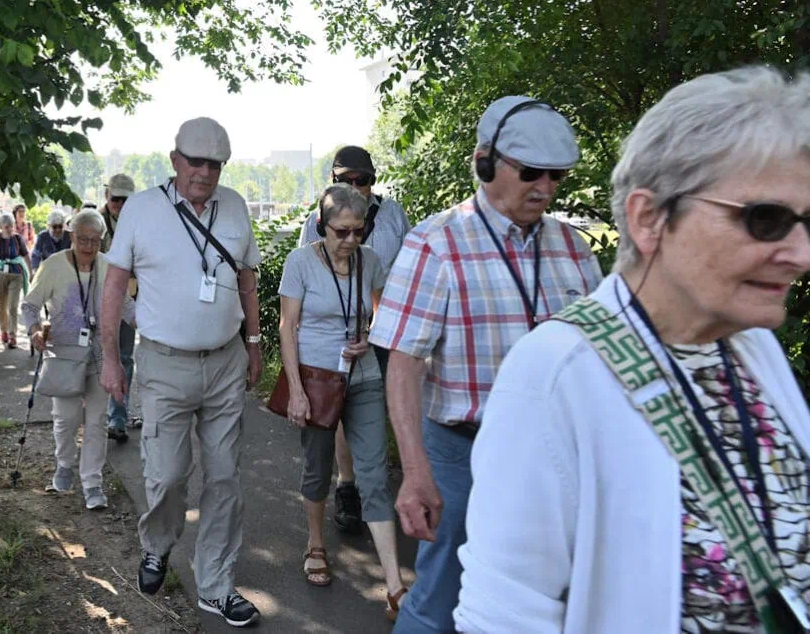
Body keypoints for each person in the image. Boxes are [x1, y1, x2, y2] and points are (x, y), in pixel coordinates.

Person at [455, 67, 810, 633]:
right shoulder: (555, 374)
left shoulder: (754, 348)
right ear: (649, 218)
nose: (800, 253)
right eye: (764, 220)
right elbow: (504, 615)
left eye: (806, 221)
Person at [370, 96, 604, 632]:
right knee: (442, 595)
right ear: (484, 161)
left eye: (556, 175)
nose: (545, 188)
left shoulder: (573, 249)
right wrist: (416, 473)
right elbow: (402, 363)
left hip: (553, 456)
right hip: (461, 452)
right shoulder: (436, 243)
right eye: (530, 173)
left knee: (544, 599)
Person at [99, 117, 263, 628]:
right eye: (197, 161)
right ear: (175, 160)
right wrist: (110, 357)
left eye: (216, 164)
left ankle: (215, 585)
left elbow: (247, 279)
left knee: (225, 479)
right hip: (164, 364)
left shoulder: (234, 206)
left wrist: (254, 345)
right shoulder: (143, 210)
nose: (206, 173)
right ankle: (158, 544)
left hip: (225, 362)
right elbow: (113, 286)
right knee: (168, 474)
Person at [281, 183, 408, 621]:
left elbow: (382, 313)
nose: (351, 240)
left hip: (364, 376)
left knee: (372, 473)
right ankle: (316, 543)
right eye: (342, 232)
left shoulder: (369, 261)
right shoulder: (300, 262)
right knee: (317, 469)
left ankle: (394, 584)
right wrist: (296, 390)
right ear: (322, 226)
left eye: (359, 231)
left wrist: (369, 337)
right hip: (317, 380)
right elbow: (287, 326)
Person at [299, 145, 411, 534]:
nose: (353, 186)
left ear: (372, 181)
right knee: (345, 407)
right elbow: (304, 274)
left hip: (389, 328)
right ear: (332, 180)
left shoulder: (393, 214)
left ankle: (384, 484)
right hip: (341, 336)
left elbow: (411, 268)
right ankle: (348, 486)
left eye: (360, 180)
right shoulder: (317, 220)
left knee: (383, 408)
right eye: (344, 179)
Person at [22, 209, 134, 511]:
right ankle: (64, 466)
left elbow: (127, 306)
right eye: (83, 239)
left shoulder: (108, 267)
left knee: (97, 420)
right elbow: (30, 306)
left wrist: (156, 330)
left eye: (96, 241)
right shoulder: (53, 266)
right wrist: (34, 331)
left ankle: (92, 483)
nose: (89, 247)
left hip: (100, 355)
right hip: (64, 355)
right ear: (72, 236)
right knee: (67, 418)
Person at [100, 173, 142, 440]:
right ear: (107, 197)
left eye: (125, 200)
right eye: (115, 199)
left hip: (129, 299)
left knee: (125, 357)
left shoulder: (140, 223)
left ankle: (118, 417)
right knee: (100, 356)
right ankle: (98, 414)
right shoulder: (95, 222)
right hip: (100, 300)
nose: (120, 204)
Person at [0, 212, 32, 349]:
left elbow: (25, 256)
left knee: (13, 306)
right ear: (1, 226)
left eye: (11, 226)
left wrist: (30, 273)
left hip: (16, 275)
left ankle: (13, 336)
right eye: (6, 226)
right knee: (2, 306)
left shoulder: (18, 239)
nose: (9, 229)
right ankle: (4, 331)